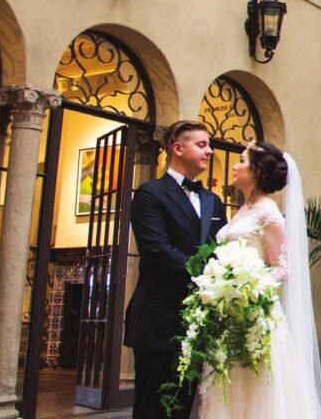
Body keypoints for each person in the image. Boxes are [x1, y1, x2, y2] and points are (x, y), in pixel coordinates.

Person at [194, 141, 321, 419]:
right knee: (229, 389)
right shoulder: (243, 209)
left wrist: (246, 285)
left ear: (255, 171)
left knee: (256, 391)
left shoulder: (268, 212)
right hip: (231, 313)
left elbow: (282, 268)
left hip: (256, 314)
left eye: (240, 161)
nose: (234, 165)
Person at [125, 120, 228, 419]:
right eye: (201, 145)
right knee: (154, 405)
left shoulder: (213, 200)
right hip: (159, 319)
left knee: (185, 406)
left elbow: (220, 249)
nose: (209, 151)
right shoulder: (150, 194)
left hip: (200, 321)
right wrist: (211, 280)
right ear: (177, 148)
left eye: (209, 145)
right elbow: (159, 252)